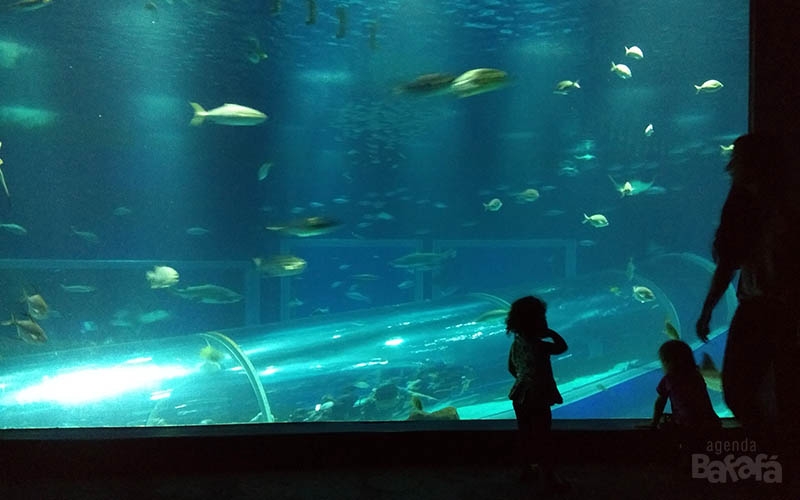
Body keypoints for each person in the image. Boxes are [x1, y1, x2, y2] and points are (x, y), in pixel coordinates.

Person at [696, 133, 800, 442]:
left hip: (770, 309)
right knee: (769, 392)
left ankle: (774, 459)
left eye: (737, 159)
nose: (731, 165)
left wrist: (707, 309)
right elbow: (730, 259)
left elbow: (728, 261)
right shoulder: (764, 205)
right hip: (771, 308)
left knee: (752, 391)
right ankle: (776, 457)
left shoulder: (767, 205)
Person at [506, 295, 569, 492]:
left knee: (525, 434)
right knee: (543, 435)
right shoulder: (539, 345)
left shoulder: (517, 342)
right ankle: (549, 477)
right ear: (537, 322)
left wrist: (524, 376)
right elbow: (562, 347)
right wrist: (550, 333)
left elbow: (511, 367)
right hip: (538, 395)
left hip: (520, 394)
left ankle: (526, 469)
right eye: (543, 318)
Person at [646, 340, 721, 432]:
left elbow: (660, 403)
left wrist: (654, 423)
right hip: (711, 423)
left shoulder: (669, 379)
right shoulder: (696, 376)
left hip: (686, 426)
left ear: (667, 362)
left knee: (665, 422)